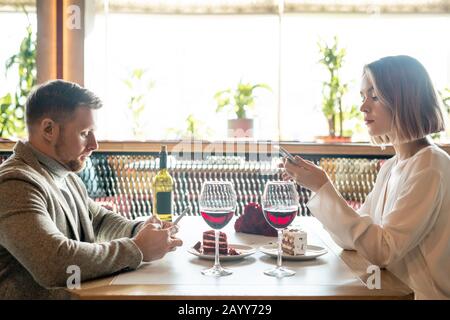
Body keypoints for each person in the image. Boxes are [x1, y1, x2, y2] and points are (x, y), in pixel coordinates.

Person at [281, 55, 450, 300]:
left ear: (404, 101)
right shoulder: (392, 166)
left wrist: (324, 187)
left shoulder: (430, 166)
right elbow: (351, 240)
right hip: (393, 291)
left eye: (375, 96)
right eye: (362, 96)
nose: (363, 107)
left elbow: (382, 251)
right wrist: (318, 187)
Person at [0, 80, 183, 299]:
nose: (94, 144)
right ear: (49, 129)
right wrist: (137, 248)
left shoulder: (65, 175)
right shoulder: (14, 183)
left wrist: (140, 229)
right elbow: (55, 263)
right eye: (85, 133)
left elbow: (99, 220)